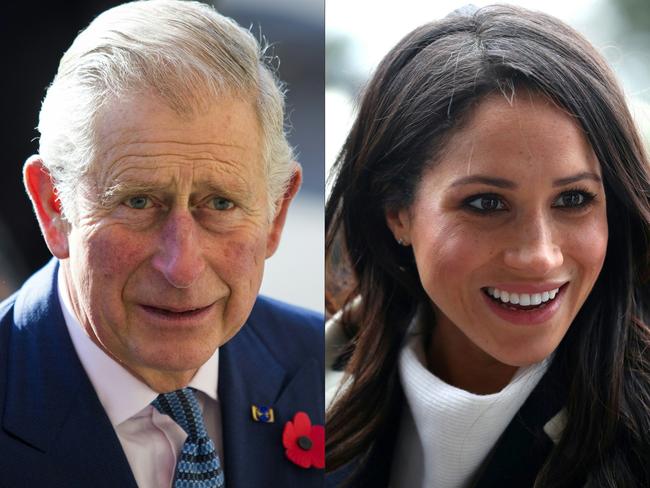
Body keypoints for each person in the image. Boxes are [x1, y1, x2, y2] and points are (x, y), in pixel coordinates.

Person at [0, 1, 324, 487]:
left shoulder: (337, 372)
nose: (182, 266)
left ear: (276, 213)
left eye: (219, 204)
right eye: (138, 202)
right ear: (54, 207)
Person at [325, 4, 650, 487]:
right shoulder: (295, 393)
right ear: (398, 212)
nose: (540, 254)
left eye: (574, 199)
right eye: (486, 204)